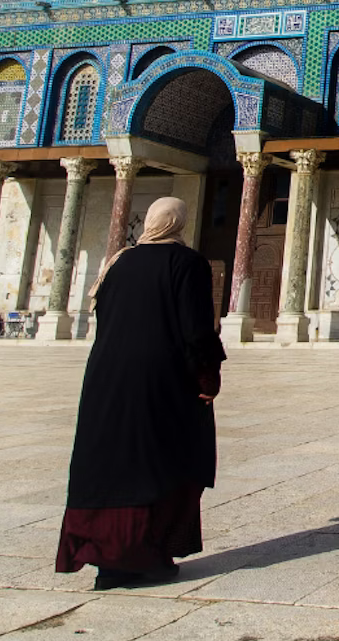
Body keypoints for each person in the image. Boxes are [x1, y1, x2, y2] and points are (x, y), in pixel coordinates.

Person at [56, 198, 225, 591]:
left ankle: (106, 560)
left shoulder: (117, 263)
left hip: (106, 377)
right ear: (179, 223)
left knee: (111, 460)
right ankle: (146, 556)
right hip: (160, 379)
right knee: (158, 460)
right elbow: (196, 330)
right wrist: (207, 377)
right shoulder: (187, 264)